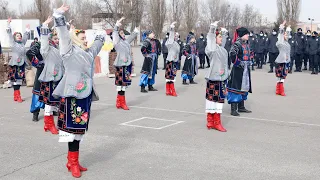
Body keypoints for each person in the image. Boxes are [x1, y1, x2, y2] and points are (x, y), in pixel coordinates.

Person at [53, 4, 105, 178]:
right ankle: (72, 163)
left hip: (86, 95)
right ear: (74, 39)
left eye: (85, 37)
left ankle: (73, 161)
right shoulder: (68, 51)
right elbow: (62, 33)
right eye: (82, 38)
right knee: (71, 130)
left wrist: (102, 34)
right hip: (72, 94)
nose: (85, 40)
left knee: (80, 130)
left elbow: (98, 43)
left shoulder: (88, 53)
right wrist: (59, 15)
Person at [37, 17, 63, 134]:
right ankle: (50, 124)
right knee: (49, 103)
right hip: (49, 78)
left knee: (54, 103)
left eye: (58, 38)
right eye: (55, 38)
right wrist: (45, 26)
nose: (57, 40)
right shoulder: (46, 49)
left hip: (59, 78)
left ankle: (48, 124)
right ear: (50, 39)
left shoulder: (60, 49)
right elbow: (43, 39)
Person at [204, 21, 229, 132]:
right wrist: (212, 28)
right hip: (213, 78)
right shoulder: (211, 49)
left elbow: (223, 42)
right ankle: (210, 121)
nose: (221, 39)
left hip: (222, 78)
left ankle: (217, 122)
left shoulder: (222, 49)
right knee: (211, 100)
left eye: (221, 37)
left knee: (219, 101)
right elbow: (210, 38)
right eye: (219, 37)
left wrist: (223, 33)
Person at [112, 17, 139, 110]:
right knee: (121, 84)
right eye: (121, 33)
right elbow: (114, 34)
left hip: (127, 65)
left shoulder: (125, 42)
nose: (123, 35)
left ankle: (119, 102)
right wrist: (116, 26)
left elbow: (131, 37)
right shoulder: (117, 42)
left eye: (123, 33)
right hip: (120, 65)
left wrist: (135, 31)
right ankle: (122, 103)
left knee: (124, 84)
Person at [228, 27, 252, 116]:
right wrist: (238, 62)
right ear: (242, 35)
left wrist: (250, 59)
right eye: (246, 34)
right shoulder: (237, 44)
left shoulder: (246, 44)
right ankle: (233, 109)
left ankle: (241, 107)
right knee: (235, 87)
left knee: (244, 86)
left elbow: (249, 53)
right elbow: (232, 53)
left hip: (245, 69)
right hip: (238, 69)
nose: (248, 35)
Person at [6, 17, 30, 103]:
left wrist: (27, 29)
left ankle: (16, 96)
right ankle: (18, 96)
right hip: (15, 64)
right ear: (15, 37)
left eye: (20, 36)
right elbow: (9, 34)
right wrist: (8, 24)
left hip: (22, 64)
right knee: (16, 80)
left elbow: (26, 37)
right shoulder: (13, 43)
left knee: (19, 80)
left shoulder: (22, 43)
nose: (19, 37)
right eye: (17, 36)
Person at [26, 29, 45, 122]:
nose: (56, 40)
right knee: (38, 92)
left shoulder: (55, 45)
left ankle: (52, 111)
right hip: (41, 72)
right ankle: (35, 112)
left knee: (51, 93)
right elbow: (29, 53)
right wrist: (38, 63)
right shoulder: (39, 45)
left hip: (53, 74)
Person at [275, 21, 291, 96]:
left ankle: (278, 90)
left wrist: (288, 29)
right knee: (280, 76)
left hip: (286, 61)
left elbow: (287, 35)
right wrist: (282, 26)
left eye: (287, 35)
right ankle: (280, 90)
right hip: (281, 61)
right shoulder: (280, 42)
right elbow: (281, 34)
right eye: (285, 34)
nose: (286, 35)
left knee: (283, 76)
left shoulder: (287, 43)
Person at [164, 22, 180, 97]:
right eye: (175, 36)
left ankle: (171, 90)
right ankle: (169, 90)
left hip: (175, 62)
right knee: (168, 77)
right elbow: (171, 36)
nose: (176, 37)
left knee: (172, 76)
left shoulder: (177, 44)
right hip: (170, 61)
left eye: (177, 36)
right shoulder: (170, 43)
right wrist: (172, 28)